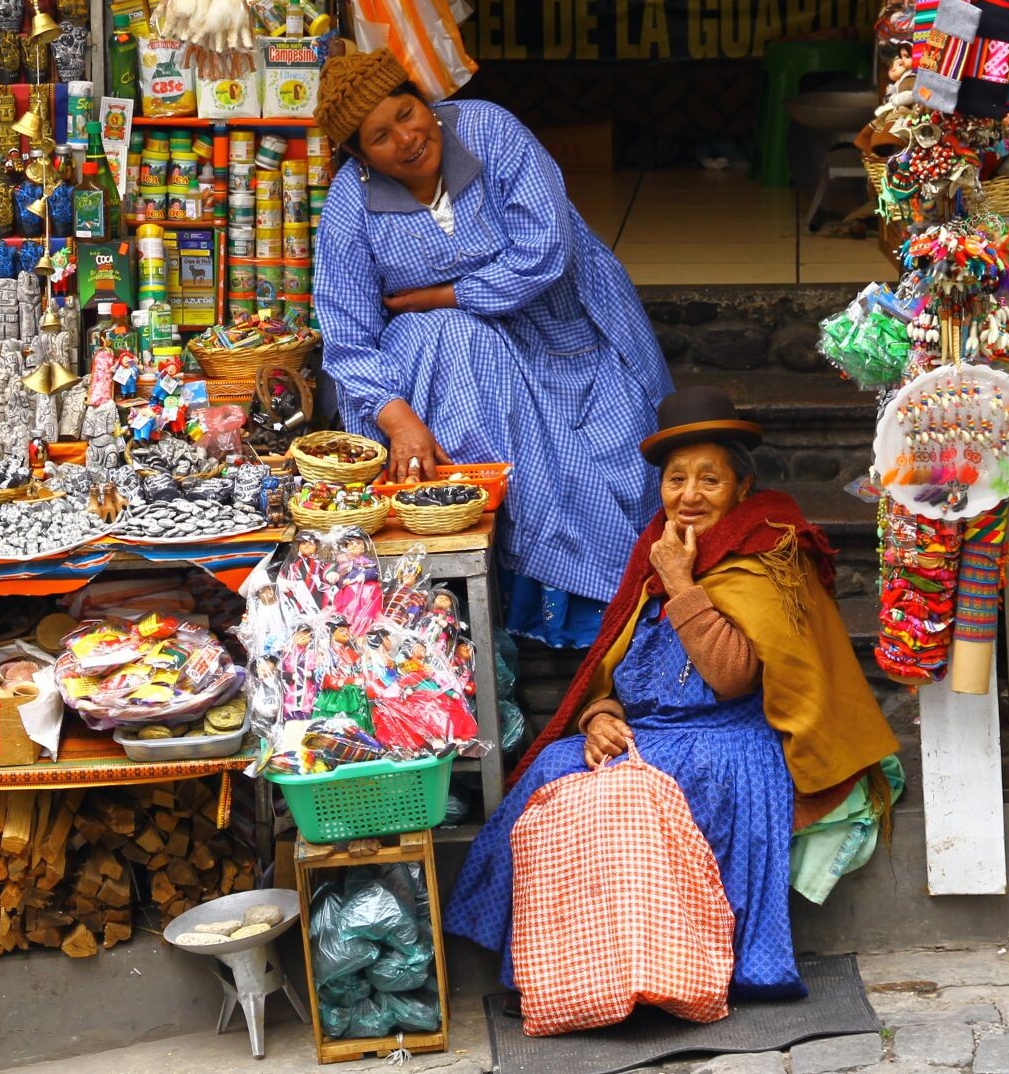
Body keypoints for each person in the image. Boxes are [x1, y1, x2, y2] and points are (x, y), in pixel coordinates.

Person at [445, 386, 901, 1003]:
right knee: (558, 765)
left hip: (728, 743)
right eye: (675, 479)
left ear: (741, 488)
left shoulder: (765, 552)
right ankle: (575, 965)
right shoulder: (655, 548)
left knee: (607, 794)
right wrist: (601, 715)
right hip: (654, 731)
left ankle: (651, 967)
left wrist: (682, 583)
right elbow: (615, 672)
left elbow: (733, 676)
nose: (688, 496)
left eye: (708, 480)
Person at [312, 49, 672, 647]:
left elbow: (545, 250)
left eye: (408, 113)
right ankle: (491, 616)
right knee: (464, 358)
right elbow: (347, 335)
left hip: (564, 329)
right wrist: (398, 419)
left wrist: (445, 294)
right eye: (380, 135)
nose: (406, 138)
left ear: (426, 102)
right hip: (457, 364)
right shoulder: (352, 204)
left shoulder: (488, 129)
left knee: (625, 456)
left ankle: (615, 621)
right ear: (357, 154)